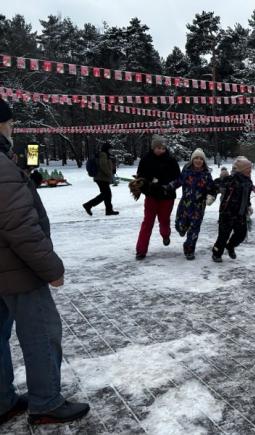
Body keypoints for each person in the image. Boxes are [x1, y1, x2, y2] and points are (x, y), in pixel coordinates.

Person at [0, 98, 90, 426]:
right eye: (9, 123)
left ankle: (2, 401)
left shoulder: (8, 164)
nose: (12, 129)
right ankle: (46, 401)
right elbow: (18, 225)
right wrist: (51, 268)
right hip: (17, 270)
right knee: (41, 333)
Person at [134, 135, 181, 260]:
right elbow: (140, 177)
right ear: (153, 147)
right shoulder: (146, 159)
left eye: (162, 148)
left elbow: (178, 178)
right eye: (158, 147)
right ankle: (141, 250)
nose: (160, 150)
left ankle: (165, 234)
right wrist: (144, 187)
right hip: (151, 196)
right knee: (147, 222)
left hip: (167, 196)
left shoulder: (171, 160)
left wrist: (169, 186)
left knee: (164, 219)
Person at [172, 148, 216, 260]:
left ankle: (189, 249)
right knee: (180, 226)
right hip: (185, 205)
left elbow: (212, 189)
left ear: (204, 161)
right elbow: (177, 182)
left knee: (194, 229)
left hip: (198, 207)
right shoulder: (186, 171)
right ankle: (181, 230)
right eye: (196, 158)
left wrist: (211, 196)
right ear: (192, 159)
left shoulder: (206, 175)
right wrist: (167, 187)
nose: (198, 160)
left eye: (201, 159)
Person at [211, 156, 254, 262]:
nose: (250, 170)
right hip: (227, 213)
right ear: (242, 170)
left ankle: (230, 246)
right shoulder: (232, 179)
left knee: (241, 234)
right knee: (223, 236)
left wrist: (248, 205)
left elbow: (246, 196)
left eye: (250, 168)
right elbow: (216, 184)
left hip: (240, 213)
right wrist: (218, 183)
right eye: (248, 168)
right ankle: (216, 253)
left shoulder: (248, 182)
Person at [82, 143, 119, 216]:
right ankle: (88, 205)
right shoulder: (103, 155)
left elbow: (106, 165)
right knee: (106, 194)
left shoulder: (105, 155)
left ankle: (109, 210)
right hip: (101, 178)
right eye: (110, 149)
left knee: (107, 194)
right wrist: (110, 174)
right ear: (106, 149)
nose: (111, 151)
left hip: (102, 178)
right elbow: (103, 165)